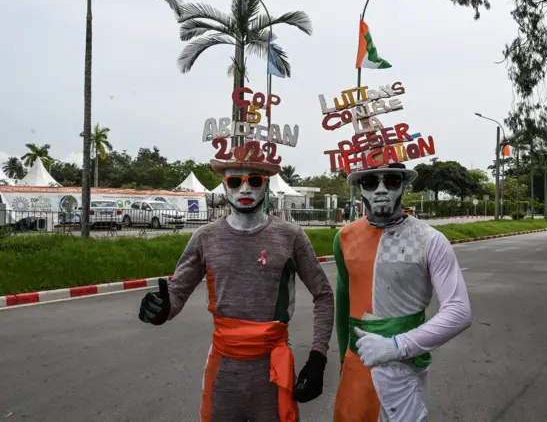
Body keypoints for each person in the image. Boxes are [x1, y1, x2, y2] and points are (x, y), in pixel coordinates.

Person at [139, 153, 335, 422]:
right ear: (224, 187)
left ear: (266, 186)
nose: (245, 189)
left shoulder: (290, 236)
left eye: (254, 181)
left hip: (272, 367)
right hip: (224, 367)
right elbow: (177, 293)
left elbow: (323, 294)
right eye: (234, 181)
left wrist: (318, 357)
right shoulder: (204, 238)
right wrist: (161, 308)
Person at [332, 161, 472, 422]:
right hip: (355, 366)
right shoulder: (344, 237)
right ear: (359, 188)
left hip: (402, 369)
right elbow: (343, 300)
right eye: (371, 182)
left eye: (392, 181)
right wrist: (343, 359)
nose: (382, 189)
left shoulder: (430, 239)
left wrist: (397, 345)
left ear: (404, 185)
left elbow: (459, 311)